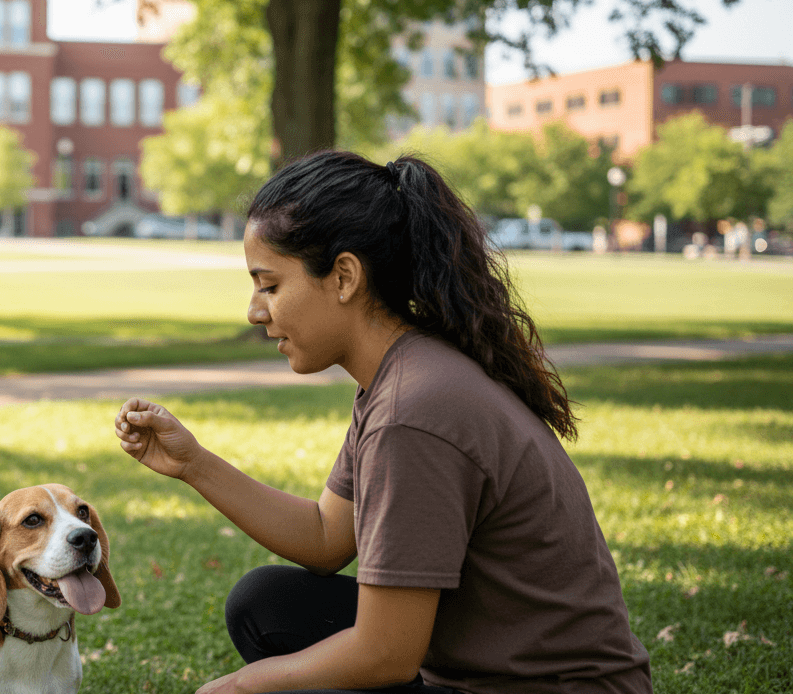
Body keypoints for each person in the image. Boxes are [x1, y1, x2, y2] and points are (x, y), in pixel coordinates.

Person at [112, 151, 652, 694]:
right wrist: (194, 464)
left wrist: (240, 687)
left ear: (344, 277)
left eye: (269, 286)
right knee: (267, 604)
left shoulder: (412, 412)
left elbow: (385, 655)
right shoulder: (403, 376)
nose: (255, 311)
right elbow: (326, 537)